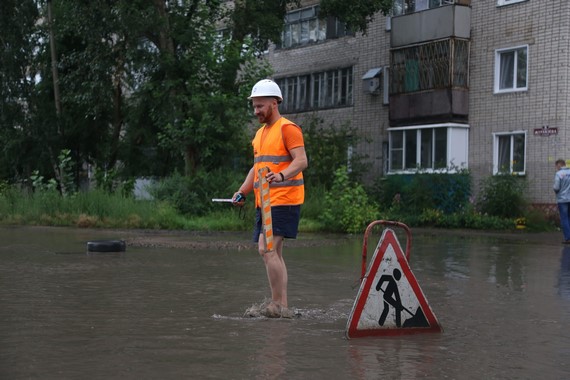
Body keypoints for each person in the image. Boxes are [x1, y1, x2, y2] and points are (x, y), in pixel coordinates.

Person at [233, 79, 308, 318]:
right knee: (272, 251)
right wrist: (242, 191)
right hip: (264, 201)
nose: (256, 111)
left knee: (267, 249)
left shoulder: (288, 128)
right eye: (254, 106)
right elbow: (256, 168)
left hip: (284, 197)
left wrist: (282, 175)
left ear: (274, 104)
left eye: (260, 106)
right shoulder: (259, 134)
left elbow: (301, 160)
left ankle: (277, 305)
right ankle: (282, 306)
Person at [553, 159, 570, 244]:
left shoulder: (559, 174)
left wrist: (557, 192)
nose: (556, 168)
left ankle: (568, 238)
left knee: (564, 218)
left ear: (559, 165)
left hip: (562, 200)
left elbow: (556, 187)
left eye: (556, 166)